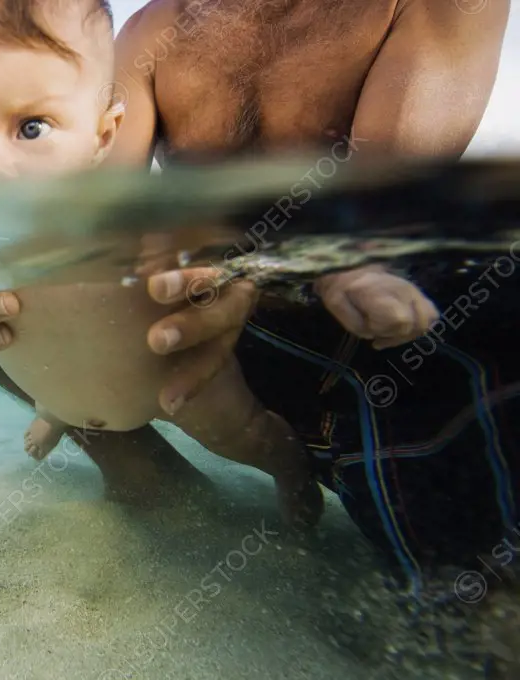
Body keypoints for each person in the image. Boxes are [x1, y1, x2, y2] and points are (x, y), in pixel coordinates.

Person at [0, 0, 447, 528]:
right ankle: (63, 415)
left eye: (31, 128)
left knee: (243, 432)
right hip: (61, 381)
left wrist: (345, 269)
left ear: (103, 134)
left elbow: (202, 249)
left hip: (170, 382)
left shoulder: (120, 220)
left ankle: (286, 469)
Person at [105, 0, 514, 585]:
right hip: (218, 327)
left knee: (478, 612)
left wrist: (335, 271)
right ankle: (134, 462)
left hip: (384, 327)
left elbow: (378, 214)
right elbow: (98, 223)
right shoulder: (151, 31)